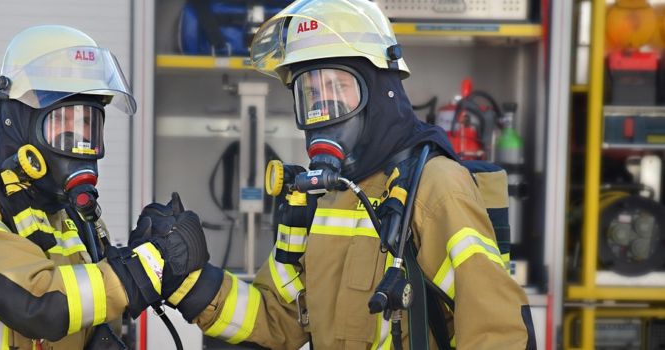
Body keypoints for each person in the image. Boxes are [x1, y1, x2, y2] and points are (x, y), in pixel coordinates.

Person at [151, 0, 537, 348]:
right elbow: (276, 319)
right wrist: (190, 280)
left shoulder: (436, 189)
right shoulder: (323, 198)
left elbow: (496, 334)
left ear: (381, 90)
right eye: (312, 94)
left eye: (338, 86)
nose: (324, 107)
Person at [0, 25, 208, 349]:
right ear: (20, 121)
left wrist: (139, 251)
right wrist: (152, 265)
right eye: (62, 121)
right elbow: (38, 304)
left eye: (86, 124)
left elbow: (97, 296)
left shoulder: (73, 215)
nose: (77, 138)